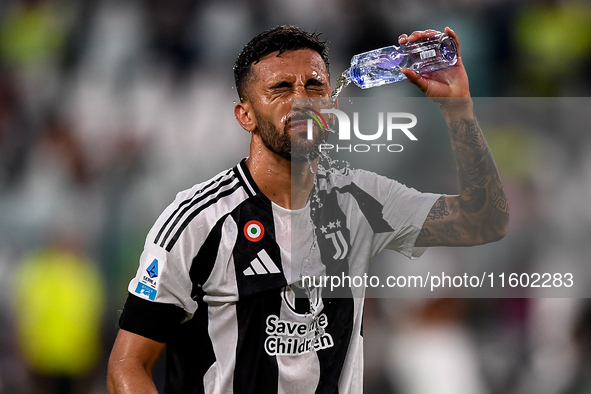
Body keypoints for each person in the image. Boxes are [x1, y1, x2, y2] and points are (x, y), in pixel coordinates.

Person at [107, 25, 509, 394]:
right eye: (281, 88)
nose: (301, 100)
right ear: (244, 114)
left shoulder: (361, 201)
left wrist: (458, 108)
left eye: (314, 86)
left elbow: (484, 220)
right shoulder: (199, 222)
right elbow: (127, 365)